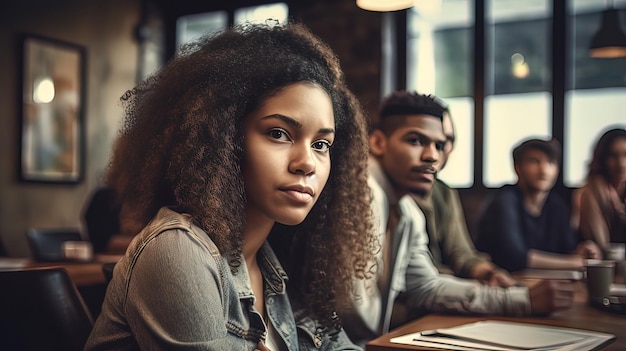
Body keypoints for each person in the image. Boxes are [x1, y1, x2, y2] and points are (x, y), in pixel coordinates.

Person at [85, 22, 376, 351]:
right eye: (278, 133)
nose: (307, 162)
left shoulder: (284, 260)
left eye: (321, 144)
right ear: (223, 138)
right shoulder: (177, 251)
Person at [341, 91, 575, 347]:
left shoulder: (407, 210)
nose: (433, 156)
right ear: (378, 143)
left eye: (440, 145)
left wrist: (520, 300)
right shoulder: (361, 192)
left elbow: (426, 286)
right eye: (416, 140)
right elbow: (352, 313)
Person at [413, 106, 516, 287]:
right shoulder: (386, 194)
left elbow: (461, 252)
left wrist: (488, 273)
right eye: (418, 140)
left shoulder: (444, 192)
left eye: (444, 141)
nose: (435, 152)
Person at [475, 138, 600, 272]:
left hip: (545, 281)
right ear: (517, 168)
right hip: (502, 282)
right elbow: (515, 257)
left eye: (550, 162)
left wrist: (581, 251)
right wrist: (575, 263)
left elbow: (566, 249)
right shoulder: (505, 200)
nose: (544, 170)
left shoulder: (556, 205)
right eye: (534, 161)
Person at [578, 127, 626, 255]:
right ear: (603, 159)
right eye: (613, 156)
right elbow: (599, 246)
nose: (621, 163)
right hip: (602, 265)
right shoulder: (591, 192)